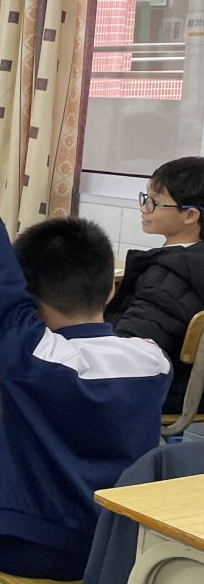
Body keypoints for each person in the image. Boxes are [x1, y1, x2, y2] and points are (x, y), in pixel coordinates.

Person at [0, 89, 170, 580]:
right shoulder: (152, 361)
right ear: (110, 290)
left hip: (25, 546)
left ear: (26, 301)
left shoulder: (31, 356)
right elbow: (0, 281)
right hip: (114, 544)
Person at [106, 156, 204, 416]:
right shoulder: (192, 262)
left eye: (154, 202)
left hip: (160, 390)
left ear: (190, 215)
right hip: (186, 385)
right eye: (145, 198)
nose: (144, 208)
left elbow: (129, 353)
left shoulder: (168, 278)